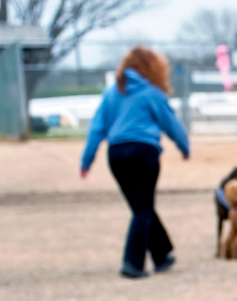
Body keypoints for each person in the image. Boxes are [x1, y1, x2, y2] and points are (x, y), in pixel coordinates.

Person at [80, 46, 191, 278]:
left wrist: (87, 160)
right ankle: (132, 263)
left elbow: (97, 127)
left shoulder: (111, 93)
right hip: (144, 152)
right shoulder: (152, 93)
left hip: (117, 154)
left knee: (141, 206)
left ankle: (162, 255)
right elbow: (170, 123)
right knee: (143, 207)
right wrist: (184, 146)